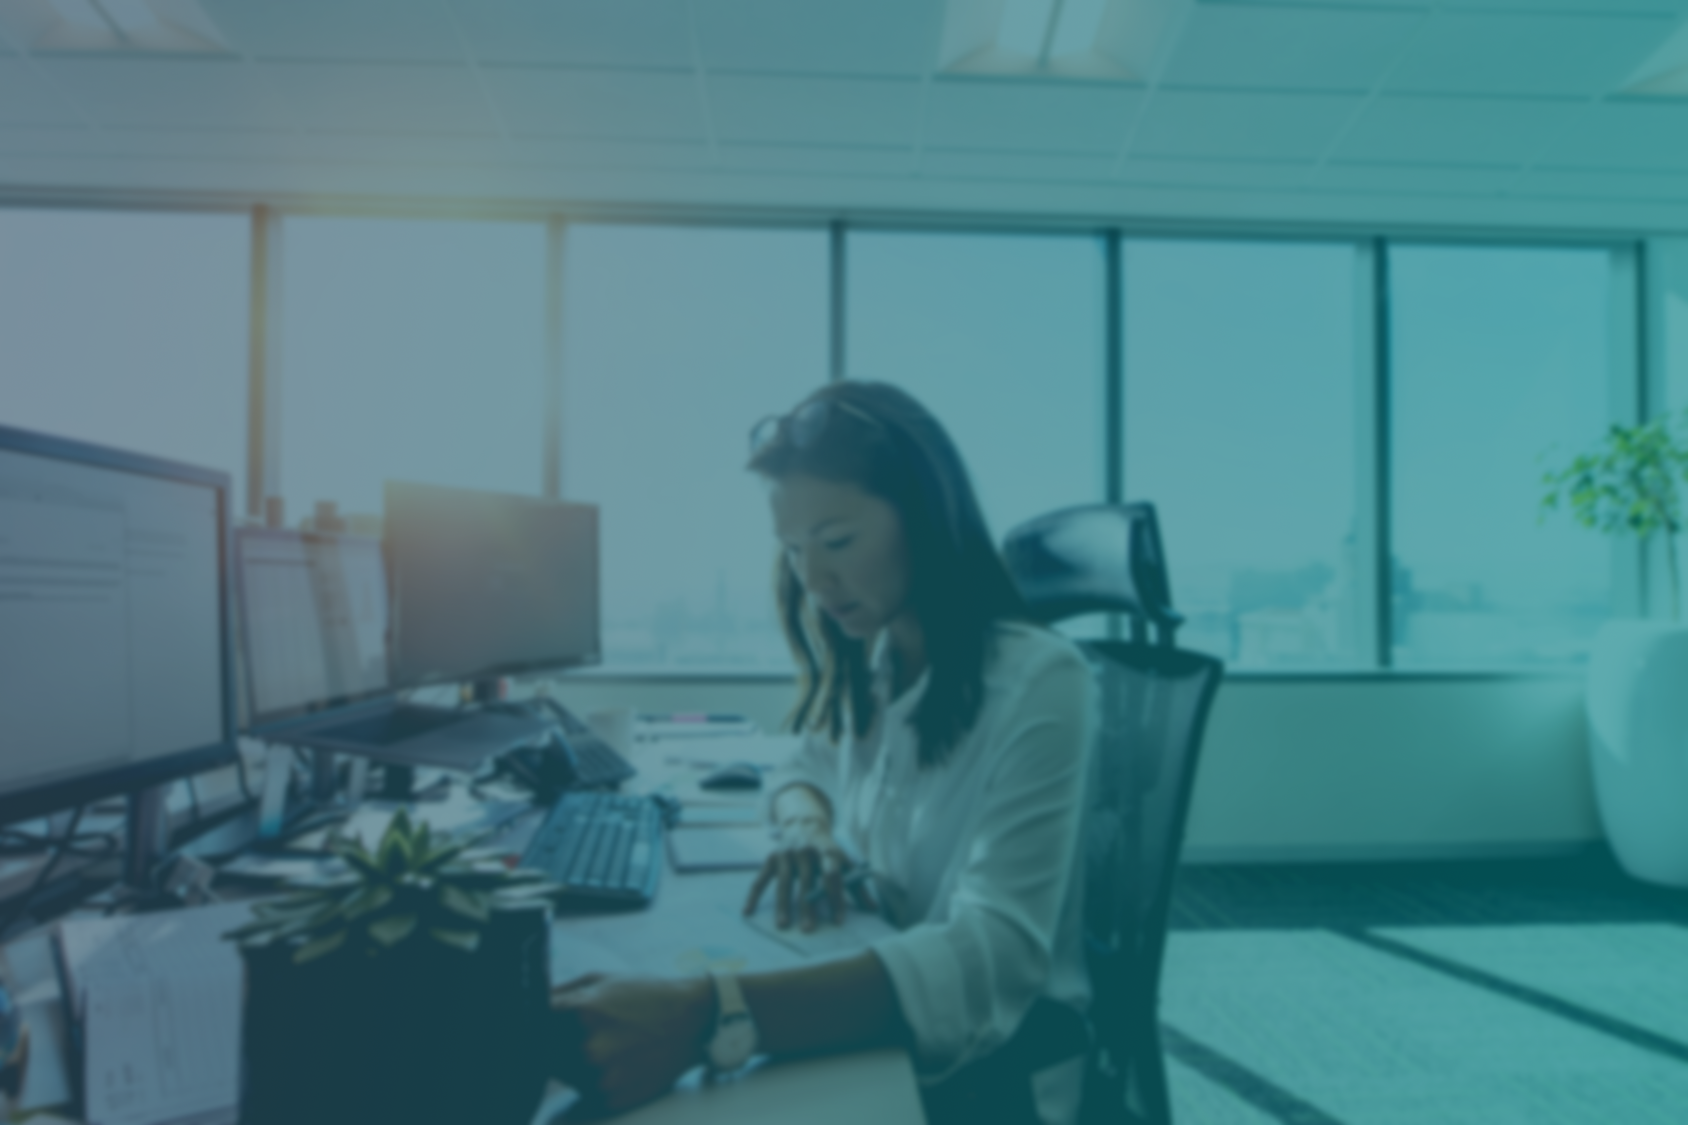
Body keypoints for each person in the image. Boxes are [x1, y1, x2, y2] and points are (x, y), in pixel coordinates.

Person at [550, 381, 1095, 1124]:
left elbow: (993, 954)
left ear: (927, 517)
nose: (815, 579)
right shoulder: (880, 664)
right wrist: (807, 826)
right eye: (794, 550)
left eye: (837, 541)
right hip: (877, 998)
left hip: (980, 1074)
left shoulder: (1040, 679)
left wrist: (713, 1013)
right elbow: (803, 768)